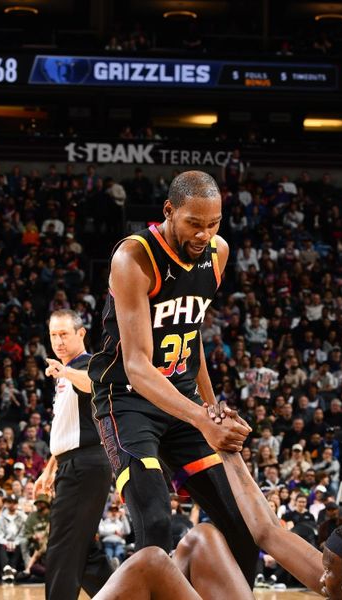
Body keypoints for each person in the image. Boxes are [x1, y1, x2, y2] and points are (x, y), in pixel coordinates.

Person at [87, 170, 257, 583]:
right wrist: (200, 418)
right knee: (155, 520)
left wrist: (211, 407)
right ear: (169, 211)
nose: (204, 234)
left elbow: (190, 330)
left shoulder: (218, 253)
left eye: (213, 224)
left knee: (243, 528)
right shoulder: (134, 257)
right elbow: (139, 367)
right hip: (127, 402)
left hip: (182, 404)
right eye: (194, 224)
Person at [93, 447, 342, 600]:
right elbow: (267, 530)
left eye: (329, 568)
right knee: (202, 537)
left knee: (151, 561)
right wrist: (228, 450)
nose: (322, 574)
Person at [34, 309, 114, 599]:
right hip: (74, 463)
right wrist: (49, 468)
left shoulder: (90, 364)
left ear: (81, 334)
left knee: (61, 546)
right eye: (54, 335)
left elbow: (96, 386)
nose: (58, 341)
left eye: (64, 334)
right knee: (83, 550)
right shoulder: (65, 373)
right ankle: (126, 595)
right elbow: (66, 426)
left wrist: (65, 371)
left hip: (87, 464)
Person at [0, 494, 27, 583]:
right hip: (4, 542)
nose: (12, 505)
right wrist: (6, 543)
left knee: (21, 545)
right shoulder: (0, 517)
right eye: (10, 502)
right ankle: (7, 569)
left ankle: (11, 570)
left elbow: (23, 534)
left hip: (17, 542)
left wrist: (15, 543)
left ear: (17, 504)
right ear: (6, 504)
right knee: (0, 546)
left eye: (14, 502)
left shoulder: (23, 517)